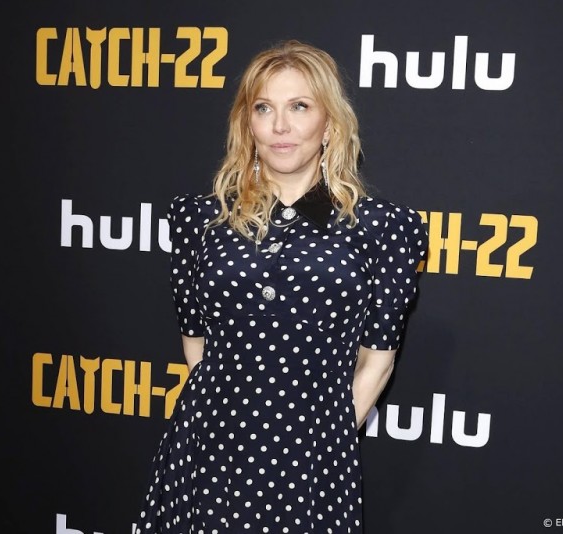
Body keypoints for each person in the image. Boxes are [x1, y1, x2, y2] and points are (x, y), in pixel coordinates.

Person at [137, 40, 427, 533]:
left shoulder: (383, 228)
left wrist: (323, 441)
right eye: (264, 108)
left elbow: (377, 362)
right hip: (208, 451)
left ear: (329, 123)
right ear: (247, 123)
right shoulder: (199, 220)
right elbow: (196, 345)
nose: (280, 126)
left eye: (299, 107)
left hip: (313, 458)